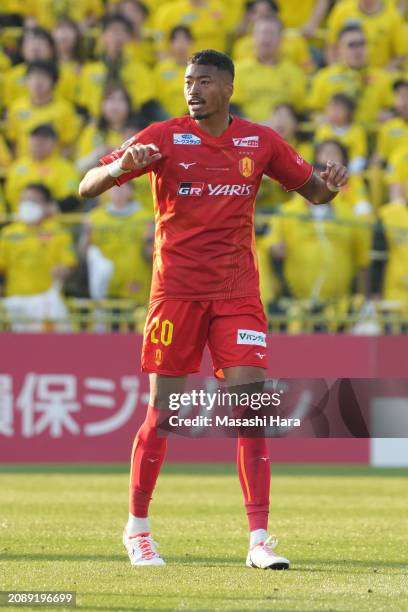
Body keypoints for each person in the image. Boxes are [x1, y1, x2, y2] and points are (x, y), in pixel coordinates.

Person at [79, 49, 348, 569]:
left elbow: (313, 191)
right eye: (187, 81)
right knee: (165, 414)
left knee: (251, 412)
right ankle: (137, 529)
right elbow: (85, 186)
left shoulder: (260, 141)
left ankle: (260, 539)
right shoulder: (161, 135)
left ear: (228, 88)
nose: (193, 89)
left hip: (237, 295)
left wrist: (330, 188)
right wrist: (117, 171)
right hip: (175, 294)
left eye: (203, 81)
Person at [0, 184, 76, 331]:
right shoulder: (8, 234)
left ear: (47, 206)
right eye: (24, 200)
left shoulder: (58, 232)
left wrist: (64, 270)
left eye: (34, 201)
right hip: (15, 302)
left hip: (47, 302)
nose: (27, 205)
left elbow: (69, 263)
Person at [308, 24, 394, 127]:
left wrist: (389, 115)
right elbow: (312, 112)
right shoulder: (323, 78)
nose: (358, 50)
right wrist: (319, 118)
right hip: (336, 138)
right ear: (339, 49)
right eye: (351, 45)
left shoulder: (383, 78)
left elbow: (392, 109)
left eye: (362, 44)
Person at [233, 16, 307, 121]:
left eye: (272, 34)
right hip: (246, 131)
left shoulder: (295, 73)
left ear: (282, 39)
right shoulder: (236, 71)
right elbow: (231, 107)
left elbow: (299, 110)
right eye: (262, 33)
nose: (266, 39)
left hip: (281, 133)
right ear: (253, 37)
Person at [5, 124, 80, 213]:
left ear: (55, 143)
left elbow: (73, 198)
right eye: (35, 138)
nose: (39, 142)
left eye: (45, 139)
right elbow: (9, 197)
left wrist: (48, 209)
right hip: (18, 221)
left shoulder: (65, 168)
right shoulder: (17, 166)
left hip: (53, 222)